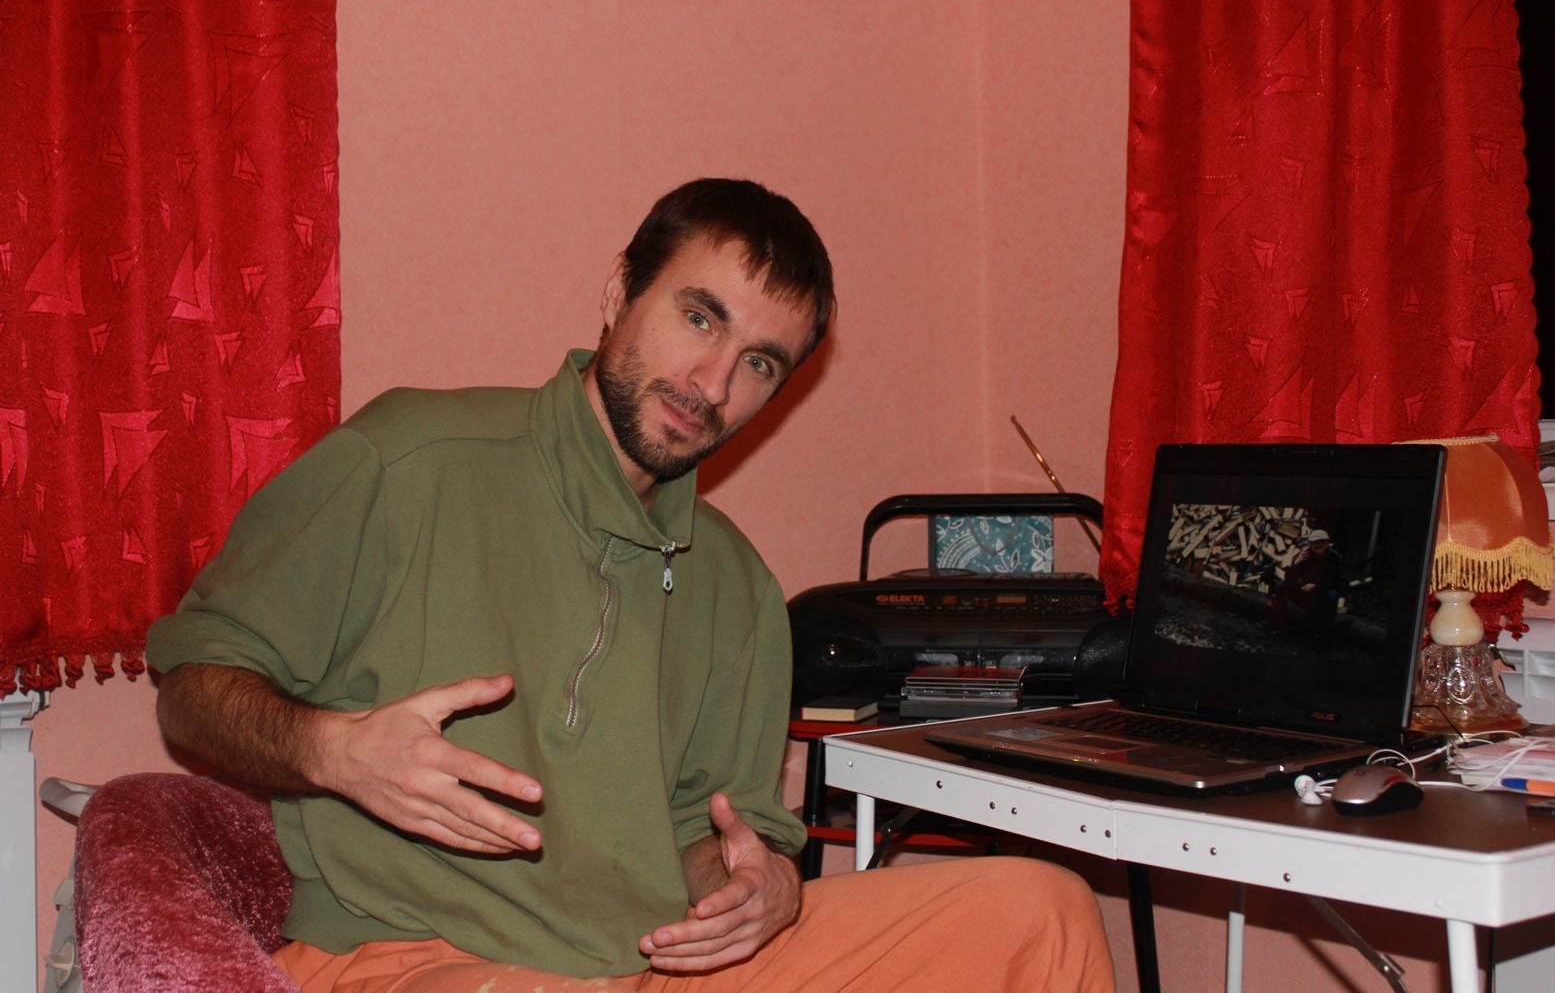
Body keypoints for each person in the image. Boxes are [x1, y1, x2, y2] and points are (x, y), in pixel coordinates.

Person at [147, 178, 1115, 993]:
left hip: (649, 962)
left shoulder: (736, 583)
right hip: (409, 955)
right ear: (619, 290)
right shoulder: (407, 457)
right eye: (699, 317)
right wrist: (334, 749)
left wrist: (757, 883)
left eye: (758, 363)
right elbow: (194, 685)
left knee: (1040, 908)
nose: (712, 382)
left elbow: (708, 830)